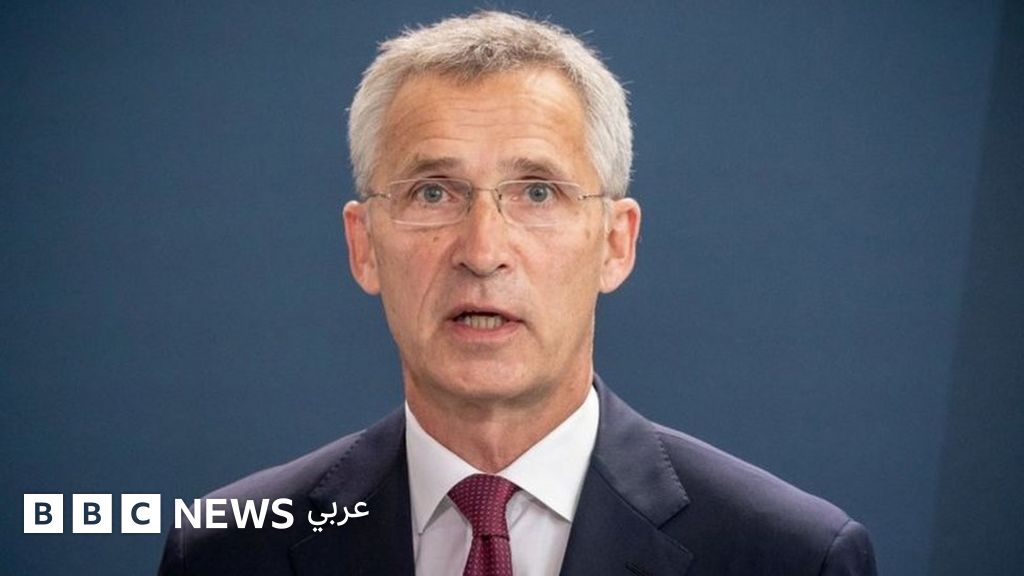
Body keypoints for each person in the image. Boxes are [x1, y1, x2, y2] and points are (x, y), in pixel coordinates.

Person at [159, 11, 876, 576]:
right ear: (364, 245)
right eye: (433, 192)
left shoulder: (790, 556)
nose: (482, 252)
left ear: (615, 242)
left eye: (537, 192)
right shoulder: (226, 550)